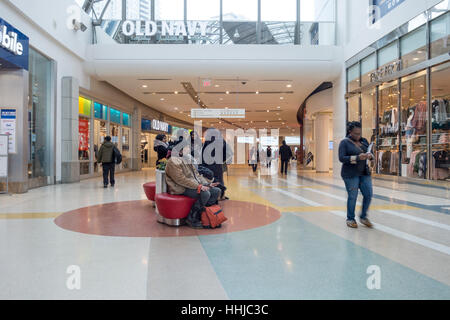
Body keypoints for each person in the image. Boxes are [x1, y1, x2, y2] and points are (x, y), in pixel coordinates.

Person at [165, 141, 221, 229]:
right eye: (186, 148)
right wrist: (199, 187)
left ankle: (205, 214)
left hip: (192, 185)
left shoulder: (187, 159)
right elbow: (180, 180)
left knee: (216, 191)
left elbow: (197, 175)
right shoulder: (173, 161)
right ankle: (192, 218)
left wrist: (207, 184)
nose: (189, 150)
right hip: (180, 188)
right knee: (205, 193)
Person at [338, 121, 374, 229]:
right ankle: (350, 218)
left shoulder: (364, 141)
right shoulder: (344, 143)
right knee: (353, 196)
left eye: (359, 133)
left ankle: (363, 216)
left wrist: (370, 156)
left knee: (368, 194)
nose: (358, 136)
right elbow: (341, 158)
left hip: (364, 172)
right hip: (350, 174)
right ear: (350, 132)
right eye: (356, 133)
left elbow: (370, 153)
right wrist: (357, 157)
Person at [202, 129, 232, 200]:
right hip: (217, 164)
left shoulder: (207, 141)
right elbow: (229, 153)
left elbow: (203, 154)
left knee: (211, 179)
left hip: (208, 164)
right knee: (219, 179)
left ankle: (215, 196)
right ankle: (222, 195)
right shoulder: (221, 141)